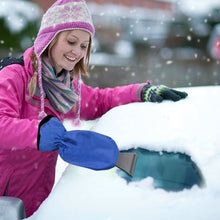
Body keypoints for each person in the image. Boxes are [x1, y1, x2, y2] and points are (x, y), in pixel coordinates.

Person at [0, 0, 188, 217]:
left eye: (83, 45)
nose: (77, 52)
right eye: (71, 41)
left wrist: (140, 92)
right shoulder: (14, 76)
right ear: (49, 39)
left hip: (35, 203)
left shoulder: (64, 86)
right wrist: (37, 132)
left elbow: (99, 101)